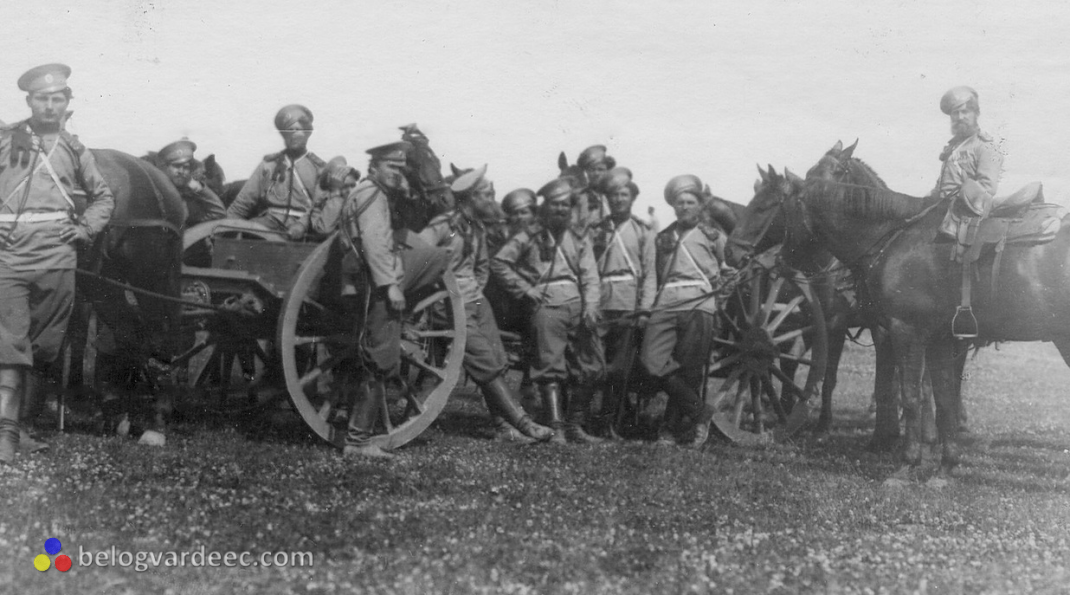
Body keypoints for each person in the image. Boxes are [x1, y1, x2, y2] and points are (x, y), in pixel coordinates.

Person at [0, 64, 115, 463]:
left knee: (44, 348)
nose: (49, 106)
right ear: (29, 102)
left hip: (57, 257)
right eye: (41, 99)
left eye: (56, 99)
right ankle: (6, 436)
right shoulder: (5, 141)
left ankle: (25, 426)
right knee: (9, 344)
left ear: (67, 103)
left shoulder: (74, 148)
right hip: (9, 255)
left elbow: (103, 198)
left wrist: (86, 230)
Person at [418, 166, 553, 443]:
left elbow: (481, 266)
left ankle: (503, 428)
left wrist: (475, 291)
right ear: (471, 198)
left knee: (498, 360)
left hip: (477, 301)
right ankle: (522, 423)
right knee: (483, 361)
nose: (492, 200)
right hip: (451, 305)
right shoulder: (443, 226)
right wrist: (442, 291)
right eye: (487, 195)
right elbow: (418, 256)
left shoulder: (476, 226)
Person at [339, 141, 450, 459]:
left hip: (363, 281)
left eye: (401, 168)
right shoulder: (372, 196)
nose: (397, 173)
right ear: (374, 166)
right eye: (391, 166)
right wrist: (391, 286)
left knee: (374, 355)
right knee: (380, 357)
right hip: (374, 284)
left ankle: (359, 436)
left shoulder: (368, 191)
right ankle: (358, 441)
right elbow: (374, 244)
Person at [491, 177, 605, 444]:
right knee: (549, 367)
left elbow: (590, 275)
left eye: (565, 205)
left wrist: (590, 305)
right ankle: (557, 429)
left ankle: (575, 425)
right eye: (555, 205)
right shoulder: (529, 235)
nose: (561, 210)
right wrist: (525, 289)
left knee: (592, 366)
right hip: (546, 305)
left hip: (577, 304)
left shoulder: (578, 237)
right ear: (545, 207)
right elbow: (499, 263)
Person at [639, 174, 729, 448]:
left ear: (699, 205)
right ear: (674, 207)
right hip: (665, 304)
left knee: (690, 370)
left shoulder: (714, 235)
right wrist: (646, 309)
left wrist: (721, 296)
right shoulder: (662, 237)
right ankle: (701, 413)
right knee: (650, 362)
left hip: (699, 304)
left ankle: (670, 429)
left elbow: (726, 270)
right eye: (680, 202)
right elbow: (653, 277)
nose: (685, 206)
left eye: (690, 201)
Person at [590, 168, 656, 438]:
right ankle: (584, 419)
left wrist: (645, 309)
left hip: (628, 305)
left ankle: (608, 423)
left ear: (632, 198)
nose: (618, 199)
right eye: (613, 195)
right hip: (599, 301)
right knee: (592, 365)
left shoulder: (643, 232)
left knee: (619, 369)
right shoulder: (596, 231)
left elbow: (650, 273)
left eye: (623, 194)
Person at [226, 104, 326, 239]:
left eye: (298, 129)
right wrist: (222, 227)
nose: (293, 135)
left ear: (307, 132)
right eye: (288, 131)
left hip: (304, 228)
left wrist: (302, 225)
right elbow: (243, 202)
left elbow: (319, 206)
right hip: (269, 223)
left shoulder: (319, 168)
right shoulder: (269, 165)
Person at [933, 86, 1003, 241]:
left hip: (965, 215)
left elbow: (988, 187)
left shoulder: (986, 146)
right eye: (955, 113)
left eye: (965, 111)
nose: (960, 117)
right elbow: (941, 186)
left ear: (976, 114)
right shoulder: (953, 147)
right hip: (941, 211)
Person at [156, 138, 226, 227]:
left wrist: (200, 189)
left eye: (185, 167)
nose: (181, 171)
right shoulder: (157, 193)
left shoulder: (190, 200)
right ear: (166, 168)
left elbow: (219, 214)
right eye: (176, 166)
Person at [307, 155, 360, 238]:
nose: (350, 191)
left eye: (353, 185)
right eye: (345, 187)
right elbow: (323, 229)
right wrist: (336, 194)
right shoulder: (322, 201)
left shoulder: (358, 201)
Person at [573, 144, 616, 231]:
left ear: (607, 171)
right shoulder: (578, 198)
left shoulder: (615, 196)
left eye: (600, 169)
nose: (596, 173)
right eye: (592, 169)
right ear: (586, 172)